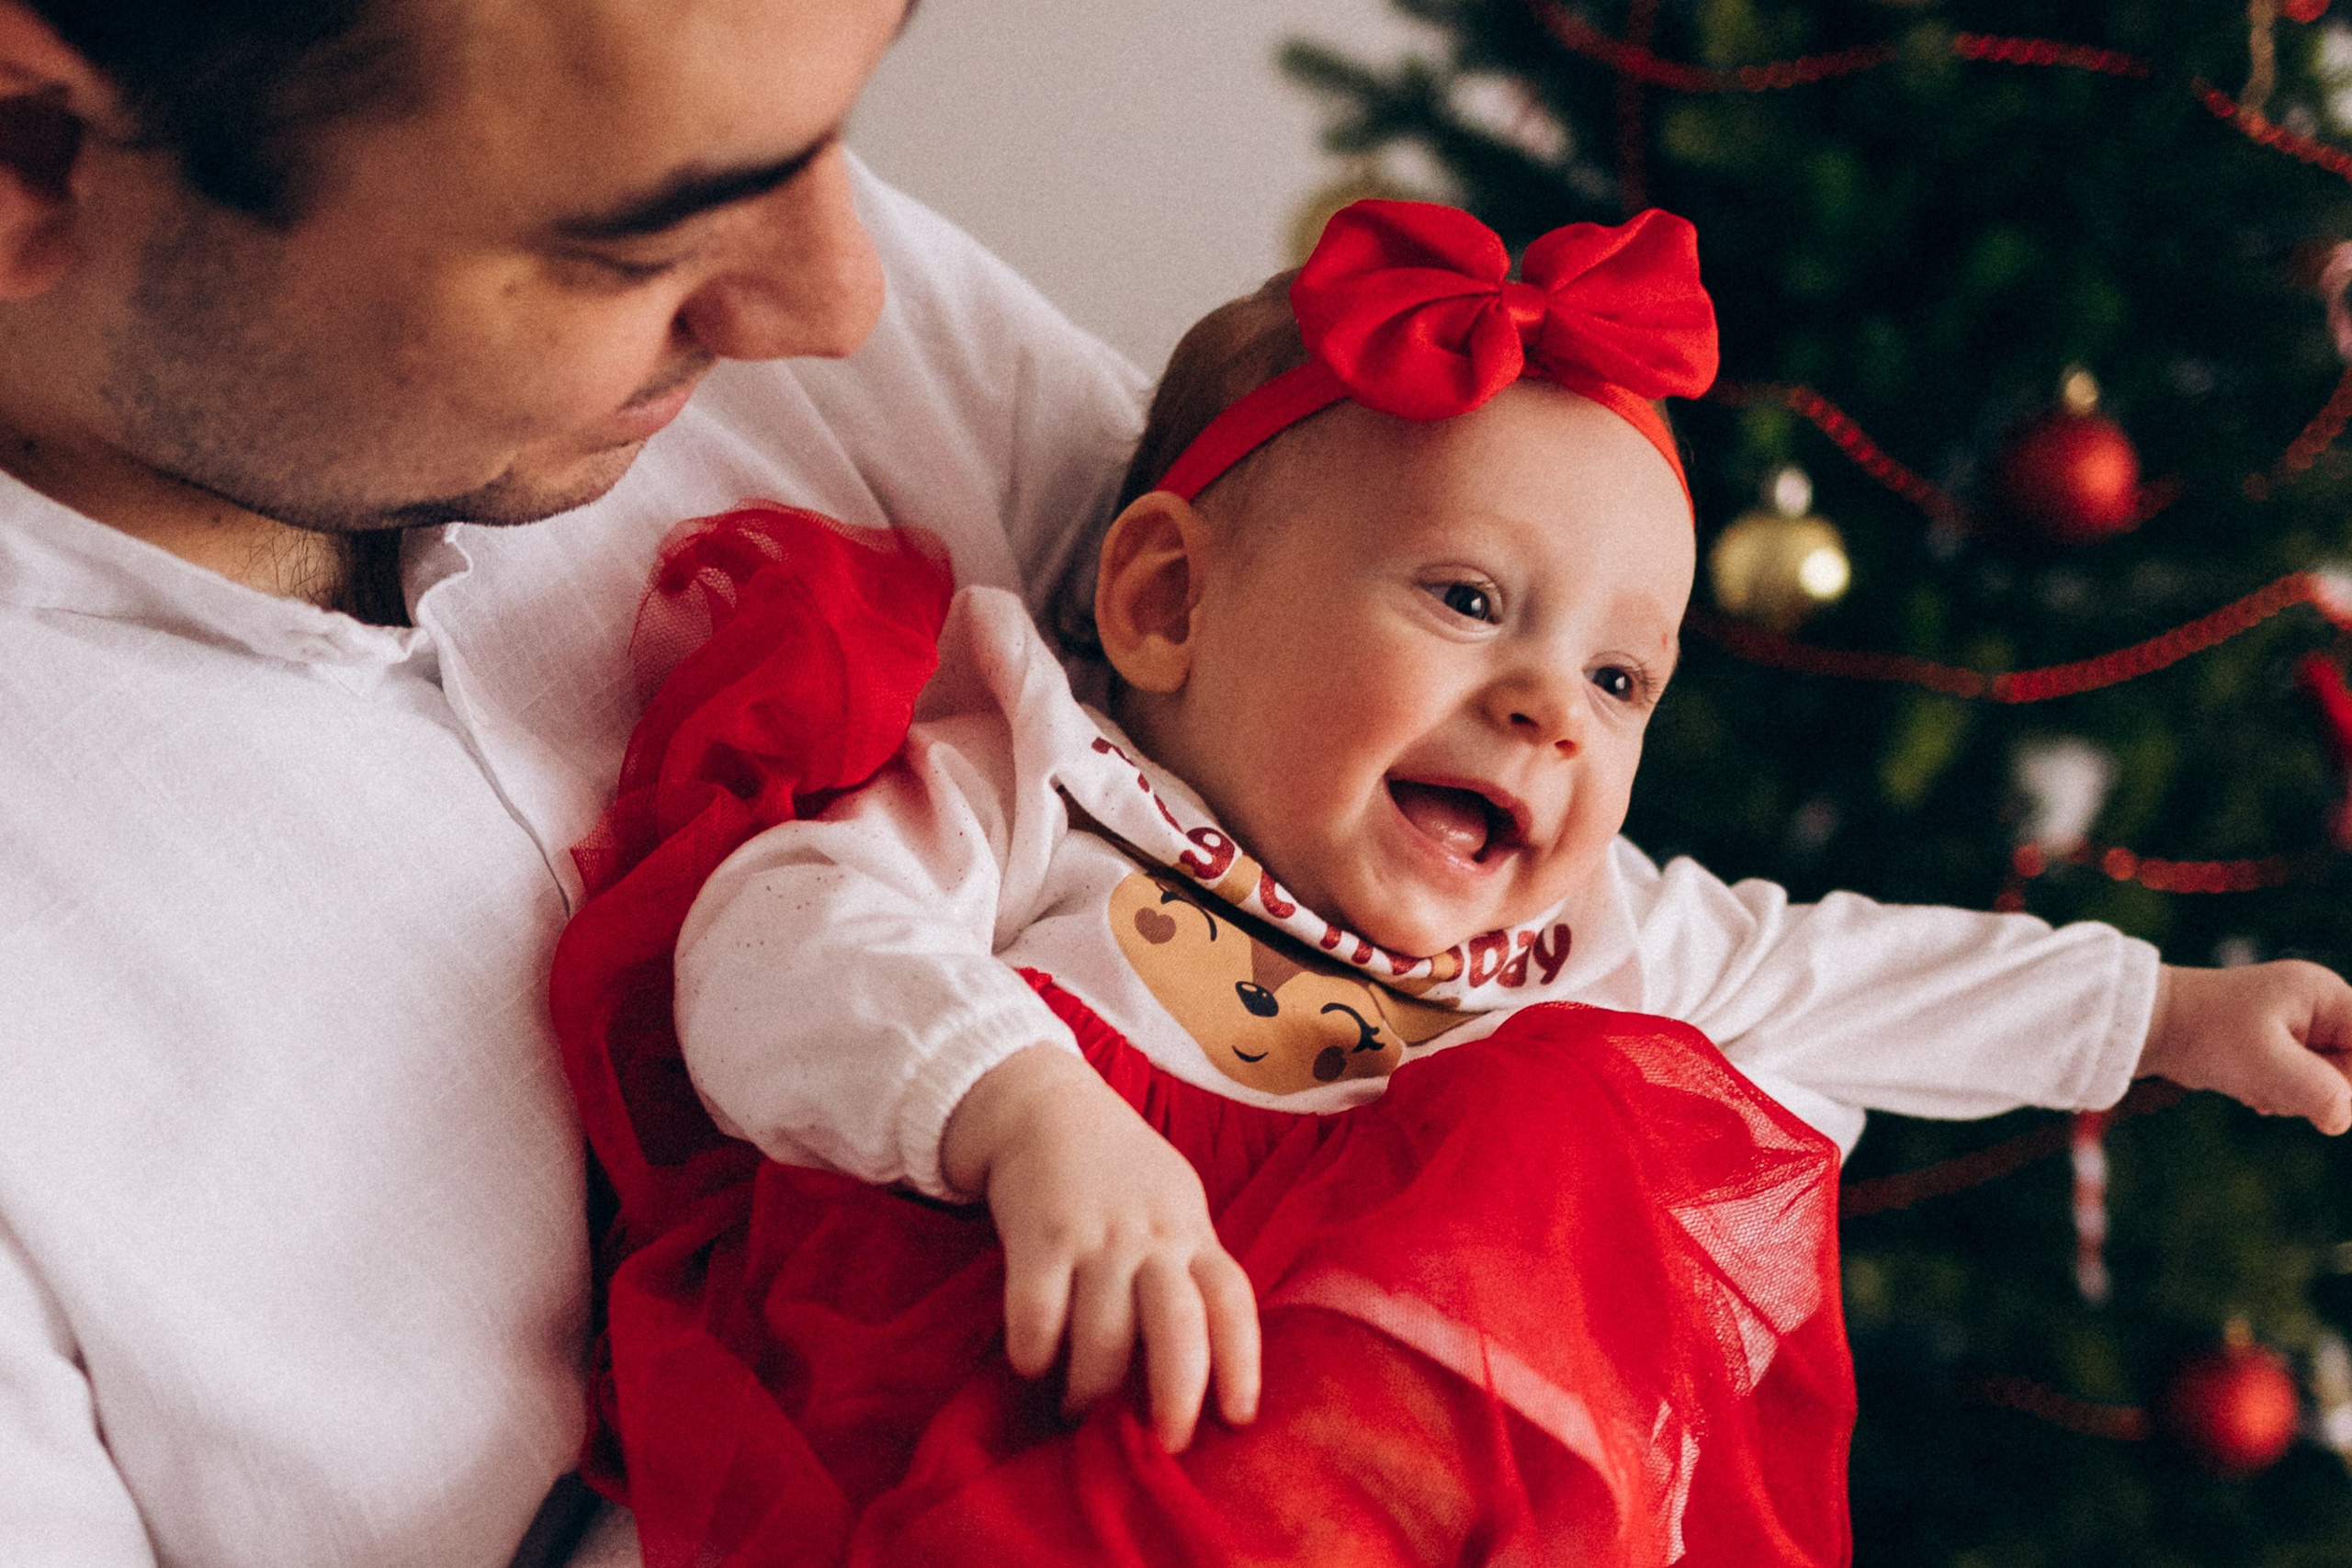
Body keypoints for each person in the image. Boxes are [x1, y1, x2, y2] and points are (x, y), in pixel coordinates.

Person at [553, 200, 2352, 1565]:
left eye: (1619, 678)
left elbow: (1830, 975)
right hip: (1017, 1448)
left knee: (1576, 1110)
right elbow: (777, 936)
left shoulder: (1563, 935)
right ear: (1167, 602)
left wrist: (2174, 1014)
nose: (1544, 710)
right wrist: (1015, 1109)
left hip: (1382, 1501)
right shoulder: (1046, 789)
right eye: (1467, 600)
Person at [0, 2, 1147, 1564]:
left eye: (835, 136)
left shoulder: (719, 182)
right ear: (33, 150)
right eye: (631, 252)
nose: (836, 299)